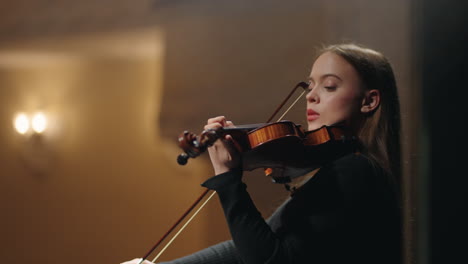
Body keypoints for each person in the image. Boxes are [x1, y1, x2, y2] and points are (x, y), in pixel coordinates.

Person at [123, 43, 403, 264]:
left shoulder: (356, 171)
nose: (311, 95)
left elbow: (270, 259)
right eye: (311, 85)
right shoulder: (348, 168)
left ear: (369, 101)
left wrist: (228, 180)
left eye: (329, 86)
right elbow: (252, 247)